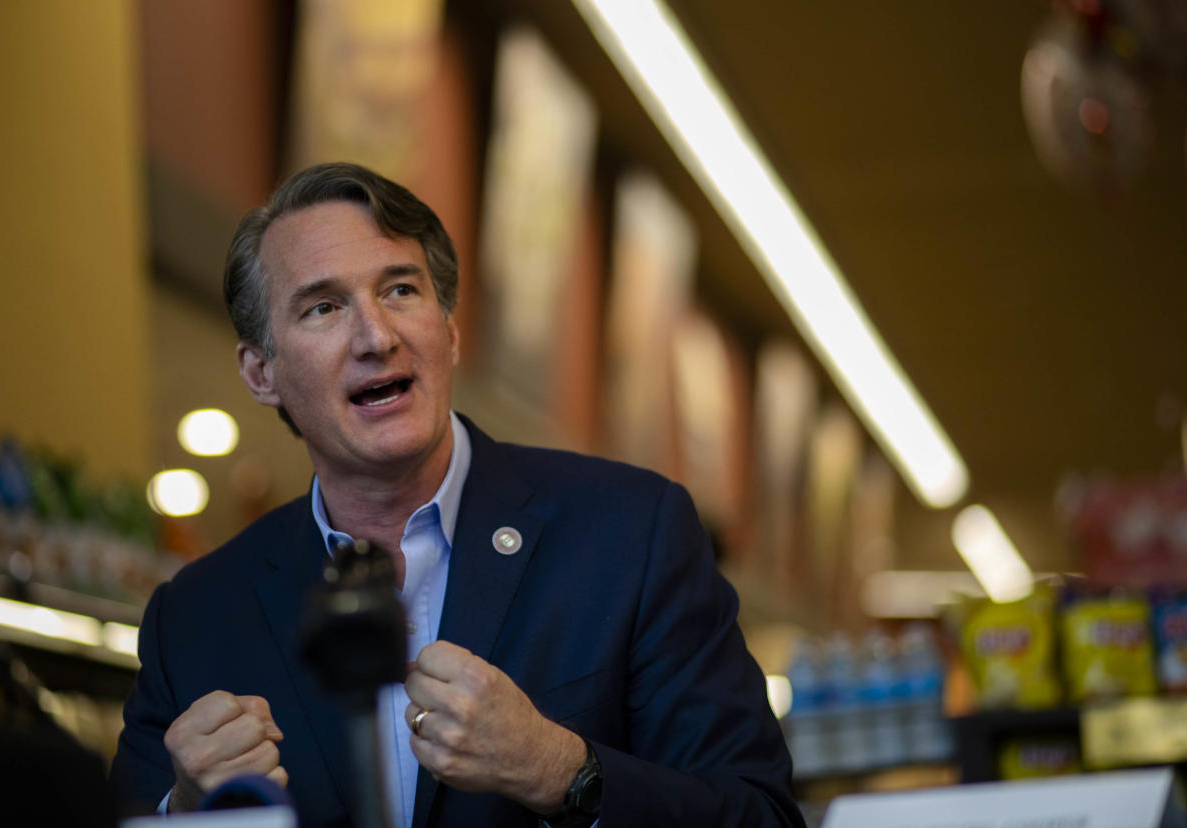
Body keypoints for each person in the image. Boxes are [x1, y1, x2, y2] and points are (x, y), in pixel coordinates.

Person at [109, 162, 804, 828]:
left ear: (449, 330)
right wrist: (188, 814)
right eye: (323, 307)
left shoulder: (632, 535)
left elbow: (762, 815)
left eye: (401, 290)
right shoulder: (194, 617)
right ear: (261, 373)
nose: (376, 336)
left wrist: (560, 769)